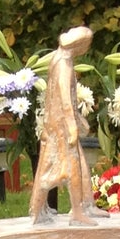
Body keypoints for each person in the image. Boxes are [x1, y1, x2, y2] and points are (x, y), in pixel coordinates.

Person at [29, 26, 97, 222]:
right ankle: (76, 212)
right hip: (60, 127)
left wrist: (77, 118)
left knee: (77, 164)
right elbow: (64, 96)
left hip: (56, 122)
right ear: (80, 46)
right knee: (68, 167)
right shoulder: (64, 65)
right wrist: (71, 124)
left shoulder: (59, 58)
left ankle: (86, 205)